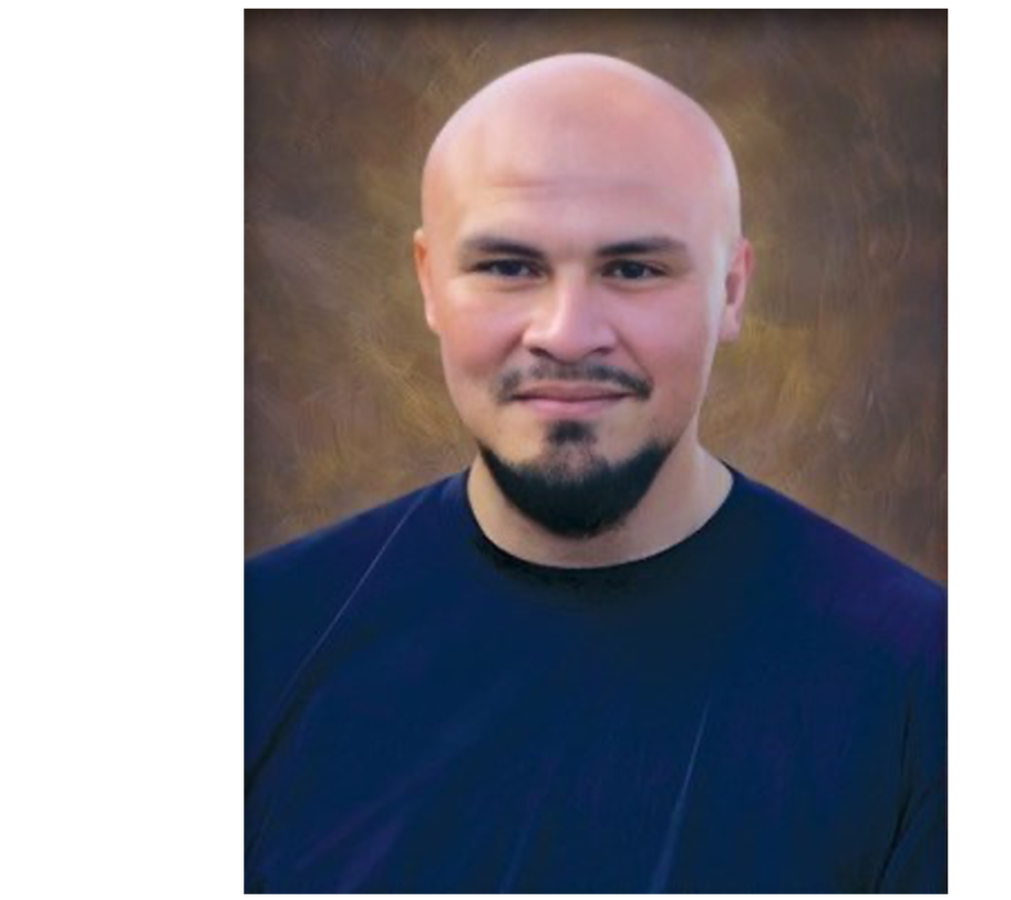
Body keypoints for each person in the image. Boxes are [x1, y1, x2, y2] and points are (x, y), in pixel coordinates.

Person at [245, 53, 947, 893]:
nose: (568, 334)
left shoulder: (926, 684)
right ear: (430, 282)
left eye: (633, 269)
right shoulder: (253, 644)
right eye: (508, 267)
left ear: (731, 290)